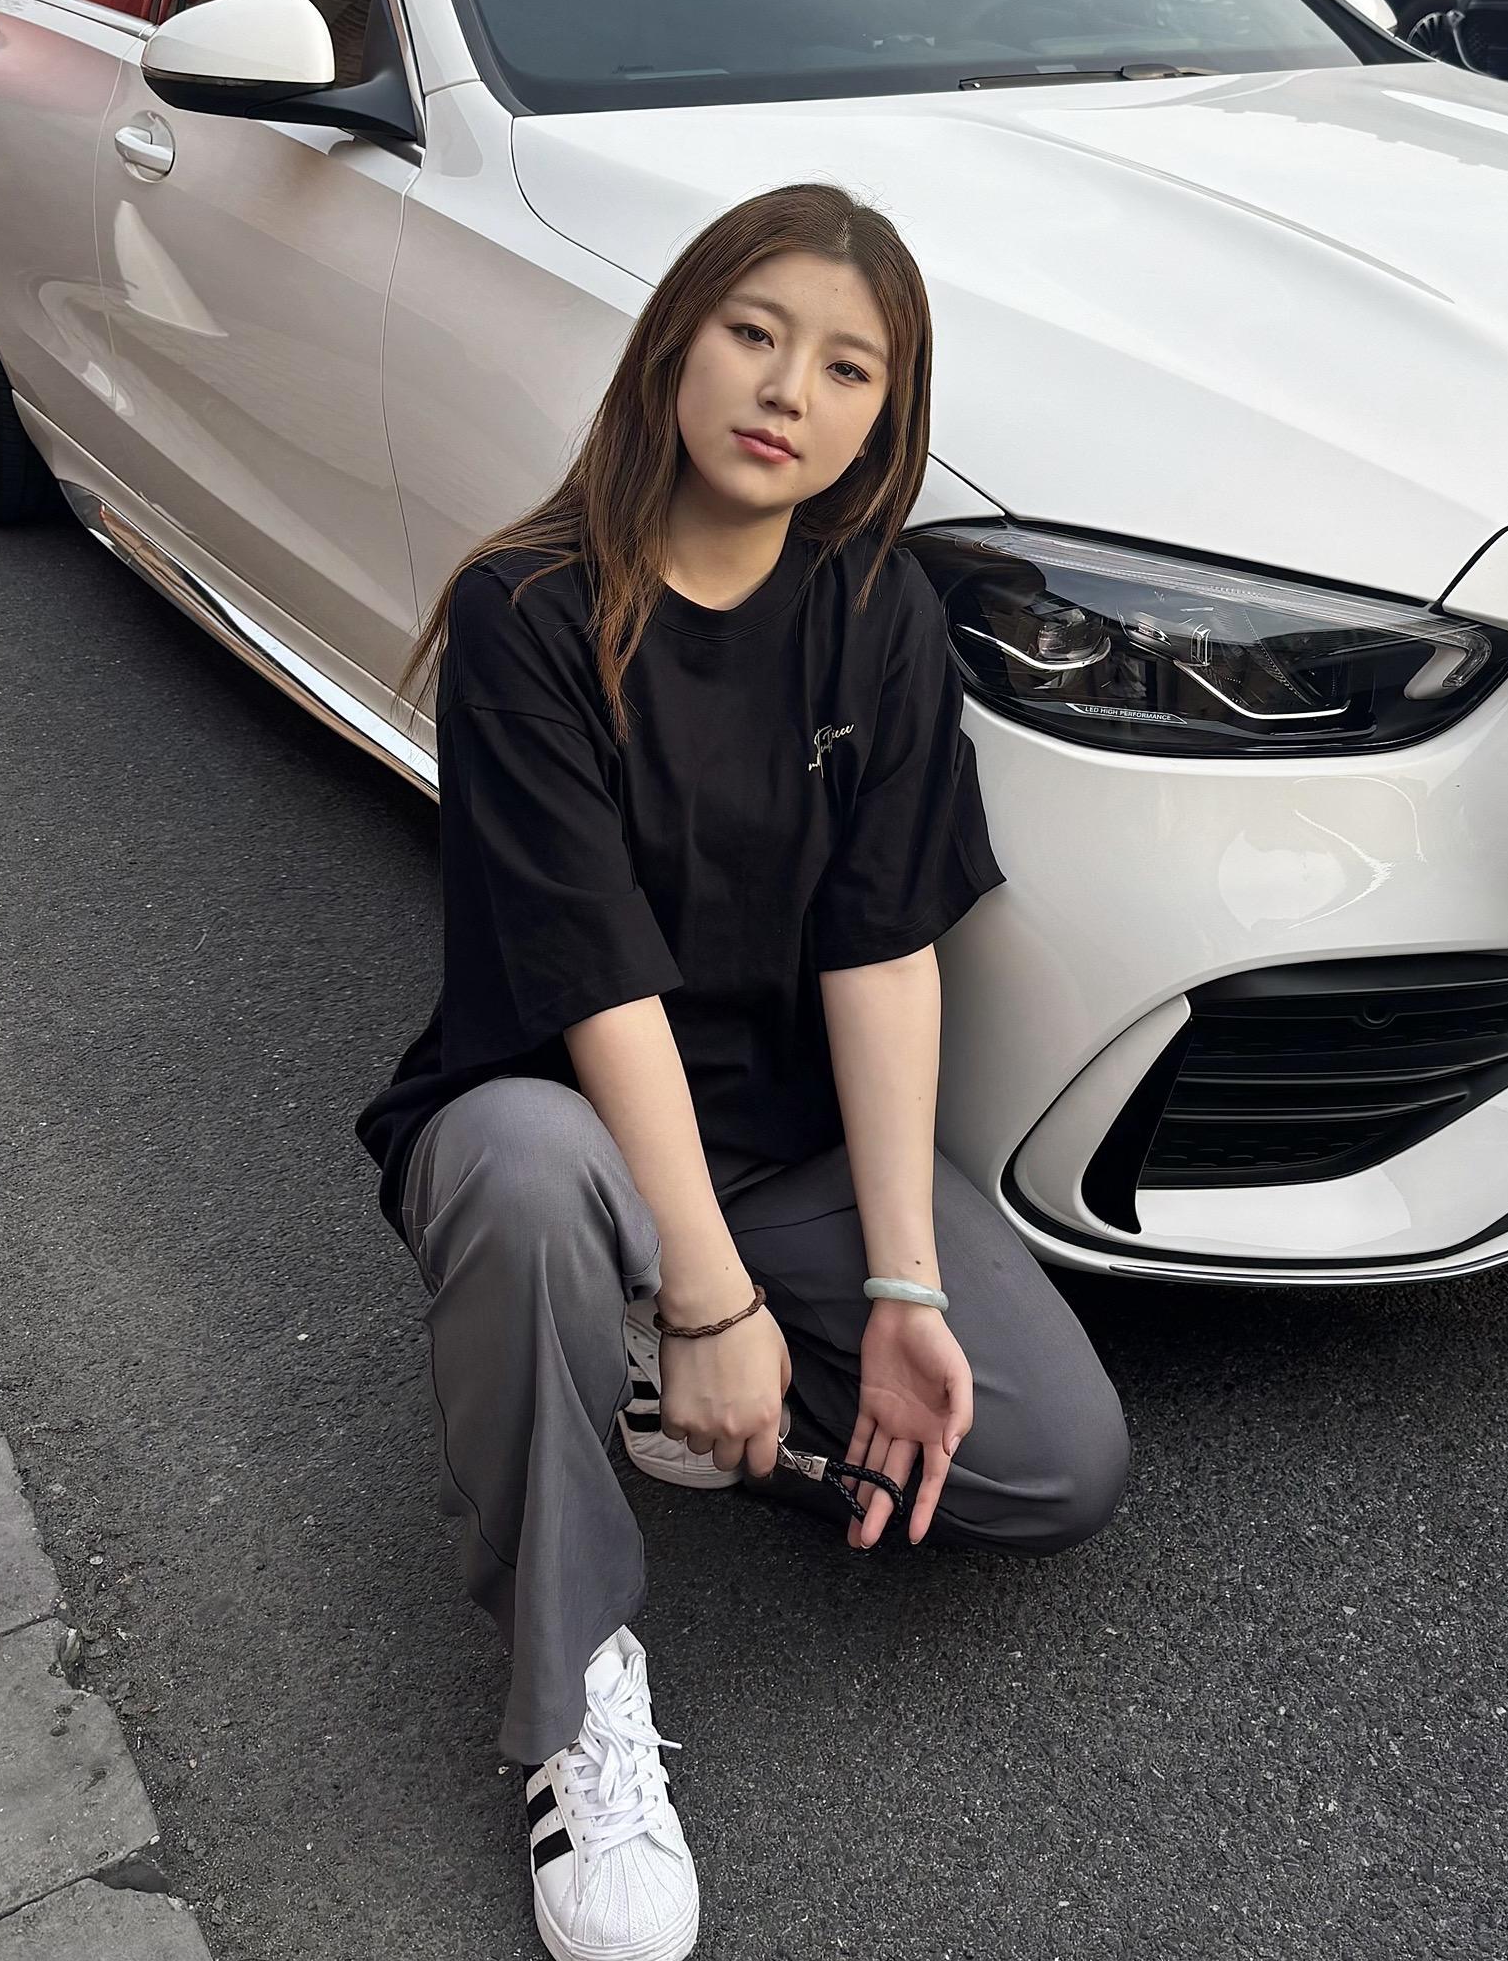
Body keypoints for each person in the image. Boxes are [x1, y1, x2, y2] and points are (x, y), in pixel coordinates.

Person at [357, 182, 1129, 1961]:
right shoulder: (531, 613)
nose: (790, 390)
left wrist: (902, 1285)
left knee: (1049, 1464)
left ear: (884, 418)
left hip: (776, 1146)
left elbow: (884, 947)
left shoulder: (878, 612)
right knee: (533, 1185)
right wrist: (713, 1298)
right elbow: (599, 983)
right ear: (676, 348)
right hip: (557, 1118)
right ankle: (572, 1679)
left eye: (849, 368)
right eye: (755, 334)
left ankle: (650, 1375)